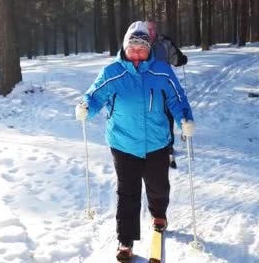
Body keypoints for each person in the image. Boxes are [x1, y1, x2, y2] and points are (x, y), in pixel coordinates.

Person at [75, 21, 195, 261]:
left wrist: (185, 119)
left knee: (158, 186)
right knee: (127, 192)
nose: (138, 53)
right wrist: (86, 107)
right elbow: (95, 95)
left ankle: (158, 214)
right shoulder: (113, 72)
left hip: (157, 142)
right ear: (125, 48)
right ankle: (125, 240)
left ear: (149, 49)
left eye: (142, 47)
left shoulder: (161, 71)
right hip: (123, 143)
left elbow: (176, 98)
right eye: (133, 47)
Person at [147, 20, 188, 169]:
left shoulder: (164, 42)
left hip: (164, 83)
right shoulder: (140, 42)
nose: (151, 32)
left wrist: (180, 59)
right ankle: (151, 144)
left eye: (153, 29)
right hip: (147, 86)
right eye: (148, 29)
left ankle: (168, 145)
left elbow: (174, 58)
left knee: (168, 113)